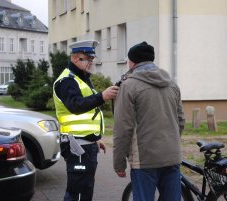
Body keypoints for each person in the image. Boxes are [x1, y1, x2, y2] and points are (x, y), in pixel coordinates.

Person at [113, 41, 185, 201]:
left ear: (132, 62)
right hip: (171, 157)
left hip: (144, 161)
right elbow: (181, 121)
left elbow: (122, 128)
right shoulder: (172, 84)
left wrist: (118, 163)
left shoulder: (129, 85)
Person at [53, 40, 119, 201]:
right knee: (79, 191)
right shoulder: (67, 81)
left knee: (84, 188)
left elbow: (87, 113)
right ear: (76, 59)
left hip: (84, 144)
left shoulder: (80, 78)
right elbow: (75, 106)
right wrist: (102, 96)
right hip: (77, 146)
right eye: (87, 59)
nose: (91, 63)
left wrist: (94, 139)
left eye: (91, 59)